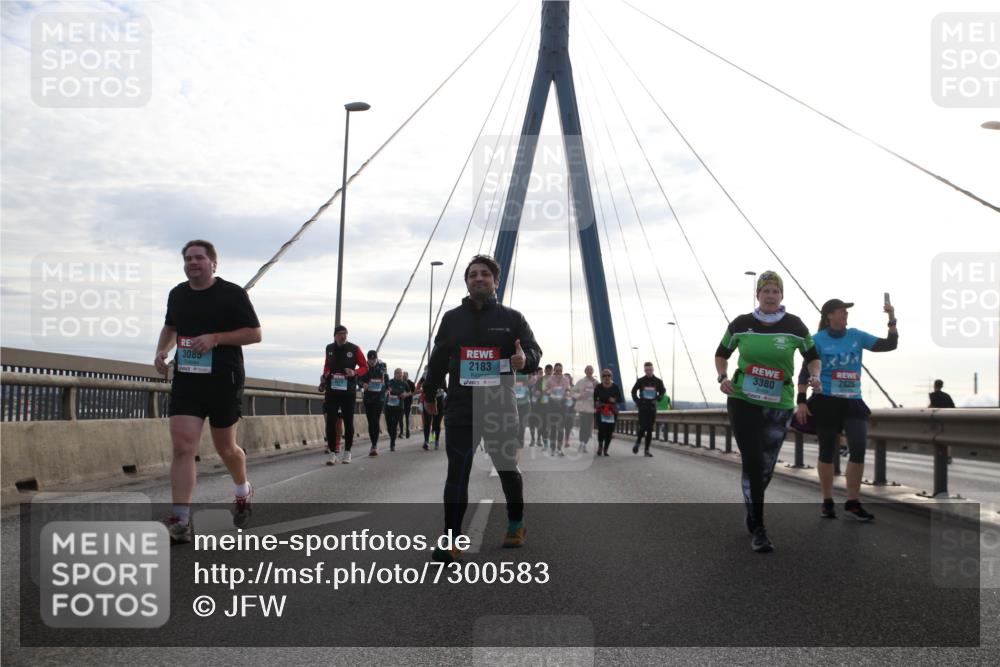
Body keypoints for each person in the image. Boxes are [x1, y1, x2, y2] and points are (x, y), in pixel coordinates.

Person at [423, 254, 542, 561]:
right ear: (466, 281)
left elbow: (533, 351)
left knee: (506, 469)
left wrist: (524, 360)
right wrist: (430, 392)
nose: (479, 278)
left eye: (485, 274)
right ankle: (451, 540)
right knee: (457, 473)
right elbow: (437, 362)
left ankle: (516, 523)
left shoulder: (512, 318)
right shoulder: (451, 319)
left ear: (495, 282)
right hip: (462, 407)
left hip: (499, 407)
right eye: (473, 274)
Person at [154, 240, 262, 544]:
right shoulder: (177, 294)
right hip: (188, 379)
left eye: (199, 258)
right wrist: (161, 351)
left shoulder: (232, 294)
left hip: (223, 379)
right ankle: (181, 518)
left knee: (226, 448)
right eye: (188, 258)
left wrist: (215, 338)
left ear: (214, 263)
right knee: (183, 446)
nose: (193, 263)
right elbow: (170, 326)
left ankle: (243, 489)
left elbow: (254, 334)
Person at [715, 270, 821, 553]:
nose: (771, 295)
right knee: (752, 459)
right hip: (743, 399)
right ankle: (759, 527)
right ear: (758, 295)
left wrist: (815, 376)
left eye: (775, 291)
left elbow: (812, 357)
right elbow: (721, 353)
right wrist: (722, 377)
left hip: (780, 402)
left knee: (765, 466)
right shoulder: (741, 324)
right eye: (766, 291)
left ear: (781, 295)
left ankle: (752, 506)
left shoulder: (795, 326)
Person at [796, 299, 898, 522]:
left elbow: (889, 345)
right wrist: (801, 401)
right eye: (842, 311)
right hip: (826, 401)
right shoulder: (817, 340)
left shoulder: (856, 336)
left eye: (846, 311)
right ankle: (827, 500)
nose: (846, 314)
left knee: (859, 447)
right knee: (827, 451)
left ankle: (852, 502)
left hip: (852, 401)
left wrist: (891, 319)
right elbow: (804, 373)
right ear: (829, 315)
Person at [320, 325, 368, 465]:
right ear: (335, 335)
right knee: (331, 421)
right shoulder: (329, 348)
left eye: (345, 334)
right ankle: (333, 452)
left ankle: (347, 452)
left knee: (348, 421)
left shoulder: (354, 349)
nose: (343, 336)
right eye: (340, 334)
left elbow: (364, 366)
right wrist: (325, 375)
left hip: (348, 391)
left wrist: (355, 373)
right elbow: (327, 366)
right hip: (332, 390)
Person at [631, 362, 666, 457]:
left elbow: (663, 391)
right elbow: (633, 391)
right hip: (643, 407)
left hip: (652, 407)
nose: (648, 371)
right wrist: (637, 401)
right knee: (642, 427)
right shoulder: (640, 380)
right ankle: (638, 443)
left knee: (650, 429)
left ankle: (646, 450)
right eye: (647, 370)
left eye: (650, 369)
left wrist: (659, 398)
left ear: (653, 369)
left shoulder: (658, 381)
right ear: (644, 370)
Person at [360, 350, 388, 456]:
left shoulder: (382, 366)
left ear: (376, 358)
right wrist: (363, 384)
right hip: (368, 398)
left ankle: (374, 445)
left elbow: (386, 379)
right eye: (370, 359)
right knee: (370, 421)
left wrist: (388, 388)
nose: (372, 361)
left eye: (374, 359)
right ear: (367, 359)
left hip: (379, 398)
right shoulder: (364, 367)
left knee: (375, 420)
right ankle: (373, 442)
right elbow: (359, 380)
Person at [593, 368, 624, 456]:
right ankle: (600, 446)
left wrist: (614, 400)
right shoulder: (598, 387)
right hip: (601, 410)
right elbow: (594, 398)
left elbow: (620, 399)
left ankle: (606, 449)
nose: (606, 377)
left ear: (611, 376)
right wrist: (596, 403)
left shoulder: (615, 387)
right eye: (604, 376)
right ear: (602, 377)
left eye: (608, 375)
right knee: (601, 430)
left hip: (612, 411)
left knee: (609, 431)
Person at [543, 364, 571, 456]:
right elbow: (545, 391)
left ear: (562, 370)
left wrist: (567, 392)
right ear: (554, 370)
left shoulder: (566, 380)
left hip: (562, 406)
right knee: (553, 428)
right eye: (557, 370)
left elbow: (568, 390)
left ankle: (559, 448)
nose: (558, 372)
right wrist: (549, 391)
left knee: (561, 428)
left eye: (560, 370)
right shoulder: (550, 379)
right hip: (552, 406)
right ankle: (553, 449)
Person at [416, 372, 444, 450]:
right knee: (427, 422)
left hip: (438, 399)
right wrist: (422, 390)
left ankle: (436, 440)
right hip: (427, 398)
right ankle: (426, 441)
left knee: (436, 423)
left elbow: (445, 387)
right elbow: (419, 384)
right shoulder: (426, 373)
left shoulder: (441, 373)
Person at [573, 366, 598, 452]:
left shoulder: (596, 382)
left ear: (593, 371)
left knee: (588, 427)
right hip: (582, 407)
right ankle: (582, 443)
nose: (589, 371)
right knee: (583, 425)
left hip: (591, 407)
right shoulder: (581, 381)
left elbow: (599, 393)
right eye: (588, 370)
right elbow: (573, 391)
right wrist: (579, 396)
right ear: (585, 371)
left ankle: (584, 443)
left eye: (591, 370)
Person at [384, 368, 410, 452]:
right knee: (389, 427)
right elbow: (384, 389)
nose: (399, 374)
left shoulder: (404, 383)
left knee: (394, 425)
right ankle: (392, 437)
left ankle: (392, 444)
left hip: (398, 407)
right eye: (398, 373)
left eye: (401, 373)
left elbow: (410, 392)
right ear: (394, 374)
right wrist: (387, 391)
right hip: (388, 407)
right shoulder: (390, 382)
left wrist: (405, 394)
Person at [402, 371, 416, 439]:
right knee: (400, 416)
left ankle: (407, 430)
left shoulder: (411, 383)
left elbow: (414, 392)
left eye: (405, 376)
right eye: (403, 376)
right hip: (400, 401)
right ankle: (401, 431)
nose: (404, 377)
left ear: (407, 376)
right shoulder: (400, 382)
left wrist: (407, 394)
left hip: (408, 402)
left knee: (407, 416)